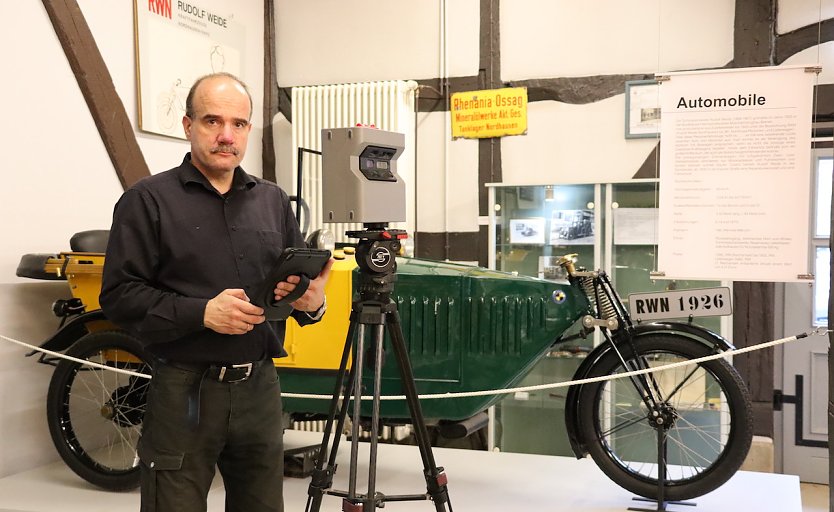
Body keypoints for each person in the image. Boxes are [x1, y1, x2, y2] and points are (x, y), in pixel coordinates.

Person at [100, 72, 332, 512]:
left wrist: (312, 303)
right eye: (212, 121)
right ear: (188, 126)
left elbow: (295, 289)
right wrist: (201, 313)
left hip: (260, 389)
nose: (227, 136)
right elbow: (119, 295)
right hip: (184, 390)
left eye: (239, 124)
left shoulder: (273, 201)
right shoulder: (147, 200)